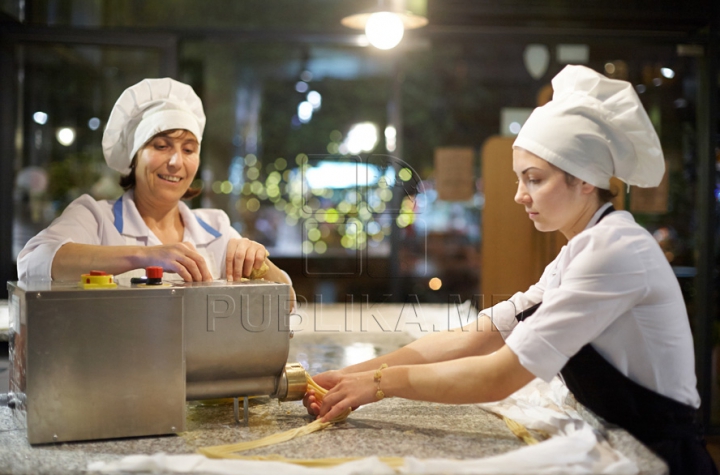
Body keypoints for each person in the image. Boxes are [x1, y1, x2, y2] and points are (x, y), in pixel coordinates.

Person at [303, 65, 716, 474]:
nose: (520, 195)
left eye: (534, 179)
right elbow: (484, 332)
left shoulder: (615, 251)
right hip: (620, 440)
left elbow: (501, 375)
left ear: (586, 180)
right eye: (519, 179)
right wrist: (346, 376)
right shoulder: (584, 248)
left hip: (658, 458)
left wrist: (376, 386)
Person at [18, 78, 292, 293]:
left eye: (188, 149)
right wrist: (146, 256)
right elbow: (32, 262)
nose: (176, 162)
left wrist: (261, 265)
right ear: (135, 157)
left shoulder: (216, 228)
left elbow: (287, 300)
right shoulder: (96, 218)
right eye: (161, 146)